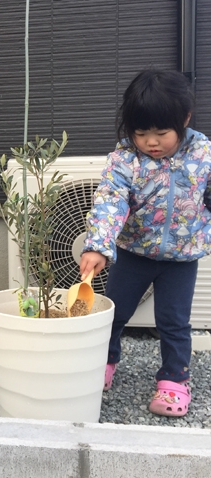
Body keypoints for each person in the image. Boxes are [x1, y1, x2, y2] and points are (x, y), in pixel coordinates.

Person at [80, 69, 211, 418]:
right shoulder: (125, 159)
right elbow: (111, 200)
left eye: (161, 133)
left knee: (174, 320)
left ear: (184, 119)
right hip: (132, 253)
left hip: (181, 258)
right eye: (141, 133)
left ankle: (174, 382)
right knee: (114, 312)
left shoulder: (203, 154)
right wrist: (98, 245)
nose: (151, 142)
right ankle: (103, 363)